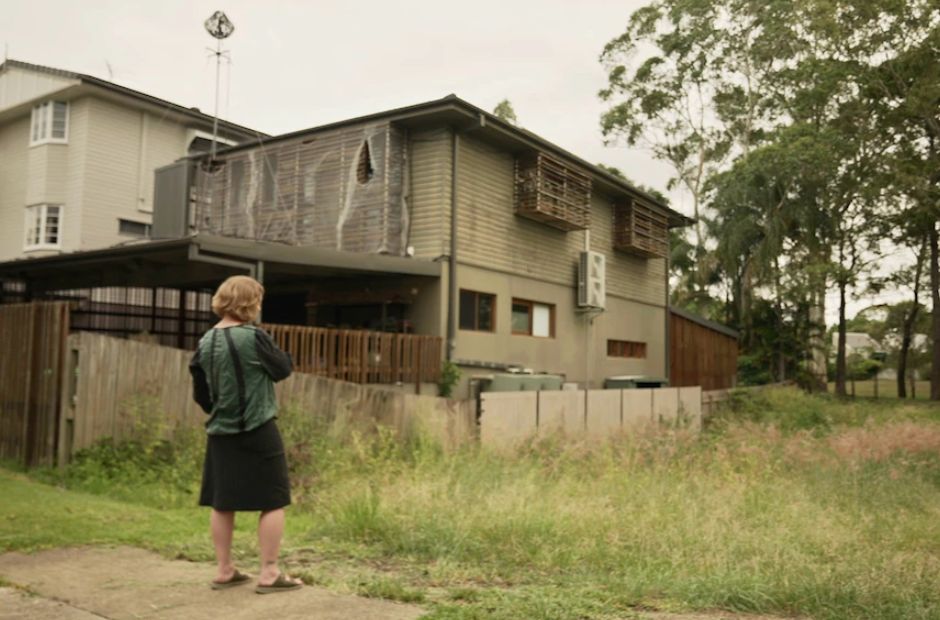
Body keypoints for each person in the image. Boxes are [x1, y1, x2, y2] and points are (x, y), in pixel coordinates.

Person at [189, 275, 303, 594]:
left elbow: (201, 394)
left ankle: (224, 570)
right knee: (273, 499)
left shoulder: (205, 342)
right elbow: (282, 369)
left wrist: (220, 409)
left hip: (220, 432)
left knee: (222, 501)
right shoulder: (254, 337)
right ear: (251, 303)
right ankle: (269, 573)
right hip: (259, 428)